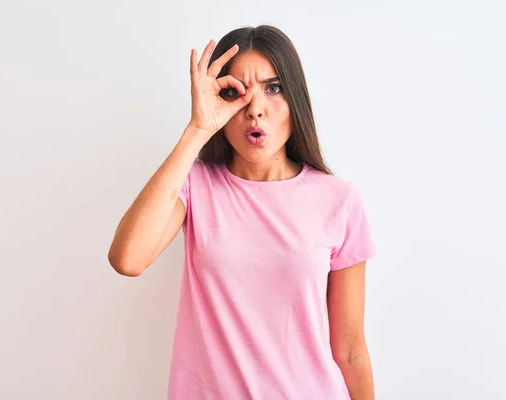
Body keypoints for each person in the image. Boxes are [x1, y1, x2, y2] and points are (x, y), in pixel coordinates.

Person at [109, 25, 377, 400]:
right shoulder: (196, 186)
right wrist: (197, 129)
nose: (256, 109)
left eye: (273, 88)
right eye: (236, 92)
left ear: (295, 98)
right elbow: (128, 258)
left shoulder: (338, 200)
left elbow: (349, 349)